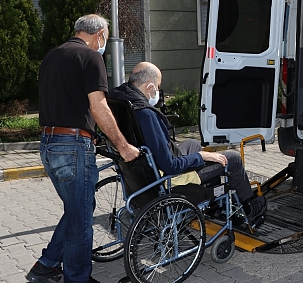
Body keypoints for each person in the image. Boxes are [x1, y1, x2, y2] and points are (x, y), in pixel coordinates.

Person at [28, 14, 140, 283]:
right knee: (80, 222)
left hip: (48, 144)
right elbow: (98, 106)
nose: (104, 42)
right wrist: (123, 146)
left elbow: (65, 101)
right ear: (99, 34)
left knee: (80, 207)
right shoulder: (92, 58)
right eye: (106, 35)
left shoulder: (52, 56)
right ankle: (77, 278)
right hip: (72, 147)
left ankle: (46, 266)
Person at [108, 62, 267, 222]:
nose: (158, 91)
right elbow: (170, 166)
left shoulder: (123, 104)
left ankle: (213, 207)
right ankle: (249, 208)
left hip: (143, 170)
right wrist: (201, 156)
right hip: (167, 177)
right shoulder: (145, 114)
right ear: (149, 87)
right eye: (157, 86)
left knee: (192, 143)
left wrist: (199, 154)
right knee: (232, 158)